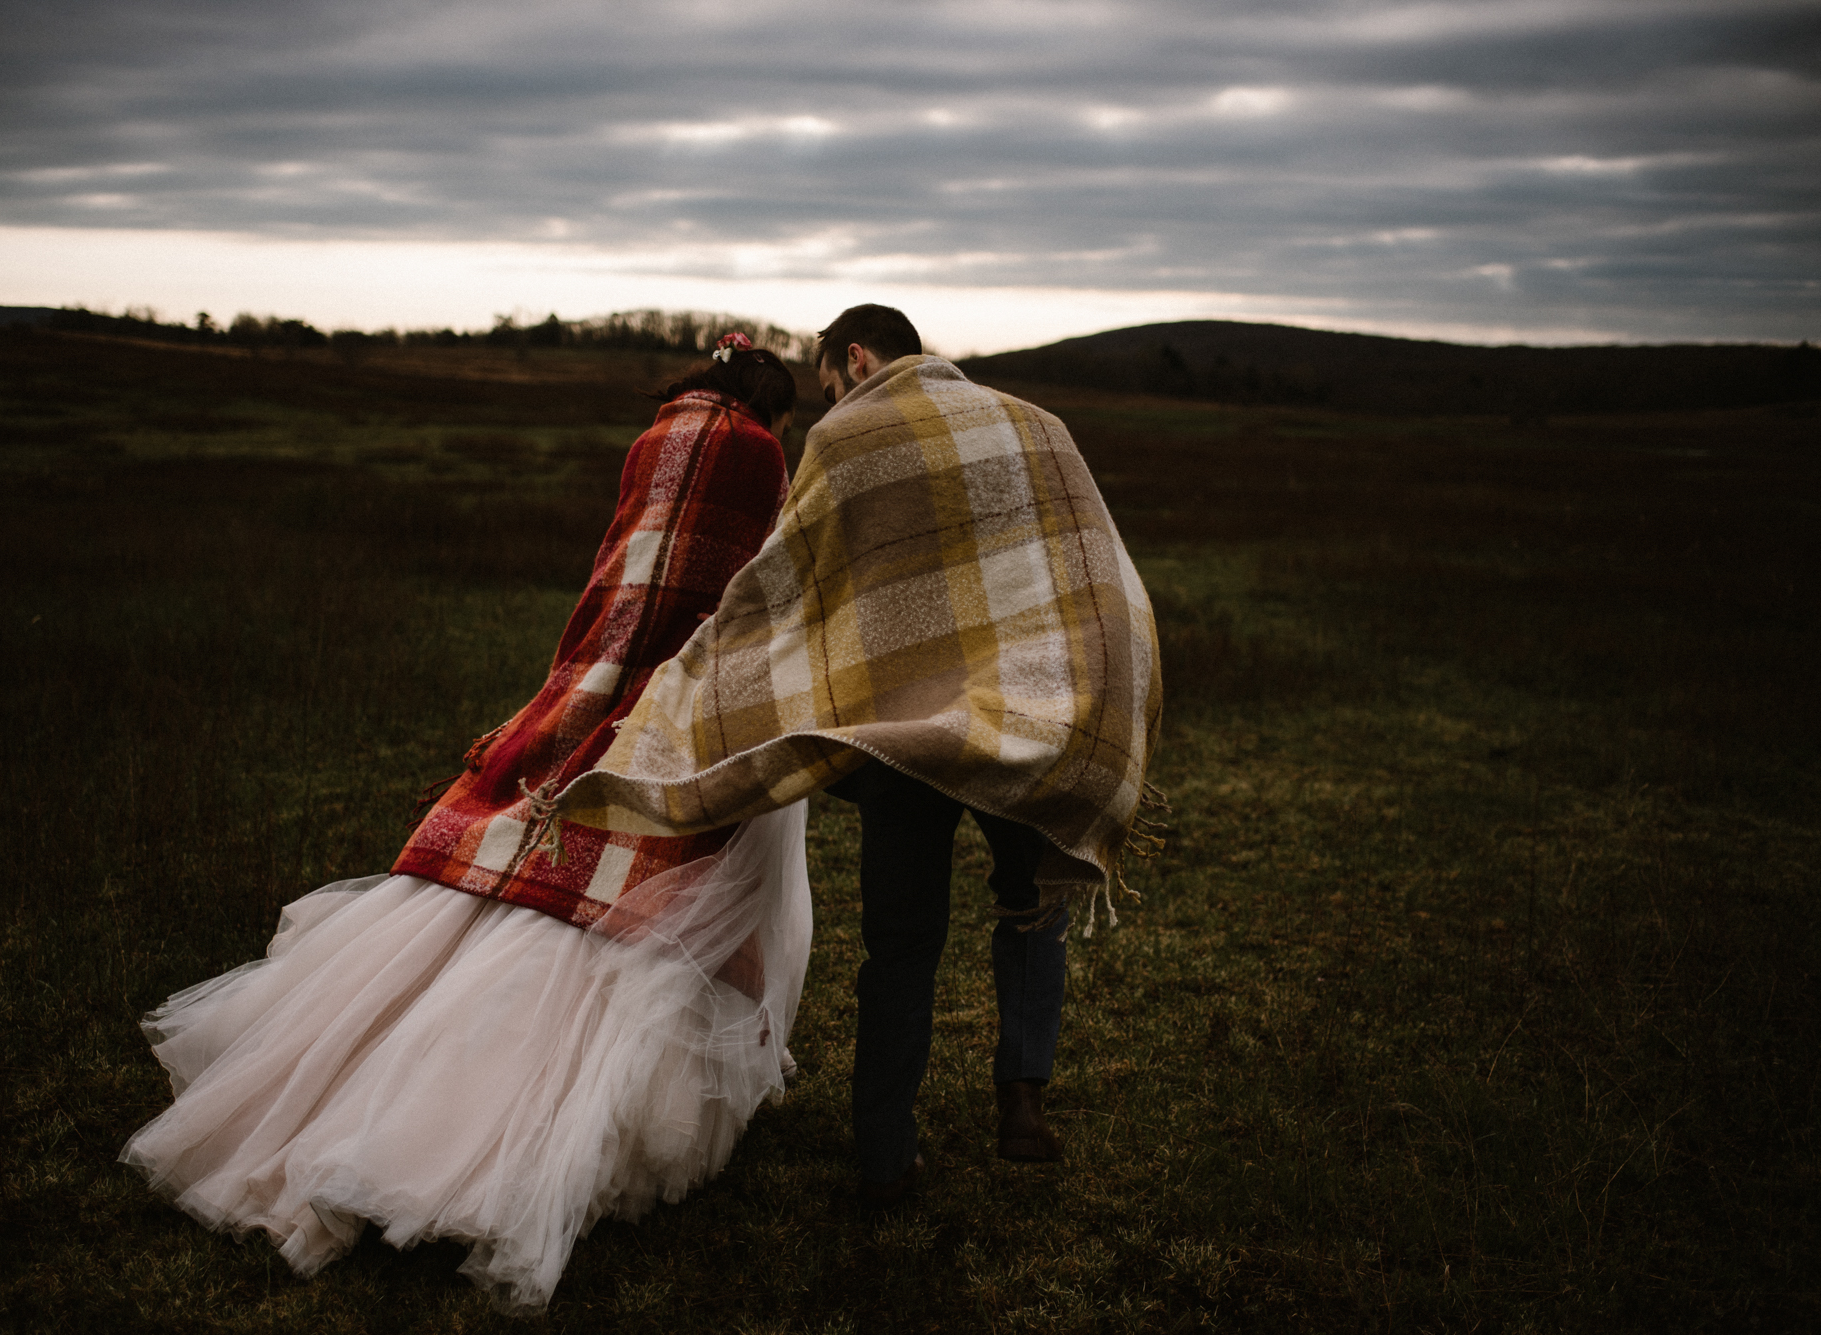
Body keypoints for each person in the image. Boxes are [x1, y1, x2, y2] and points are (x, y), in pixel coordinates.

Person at [120, 333, 810, 1311]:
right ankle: (516, 1124)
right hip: (687, 692)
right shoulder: (750, 452)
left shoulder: (656, 435)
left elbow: (621, 581)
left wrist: (575, 693)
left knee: (520, 873)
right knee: (690, 879)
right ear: (770, 407)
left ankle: (382, 1085)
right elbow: (730, 594)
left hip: (600, 673)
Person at [557, 304, 1164, 1206]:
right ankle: (1022, 1105)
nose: (831, 400)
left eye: (831, 383)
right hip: (1023, 713)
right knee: (1031, 905)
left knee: (903, 941)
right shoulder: (1037, 424)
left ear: (852, 358)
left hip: (900, 728)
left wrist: (701, 675)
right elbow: (1087, 565)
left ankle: (885, 1151)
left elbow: (789, 577)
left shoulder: (848, 434)